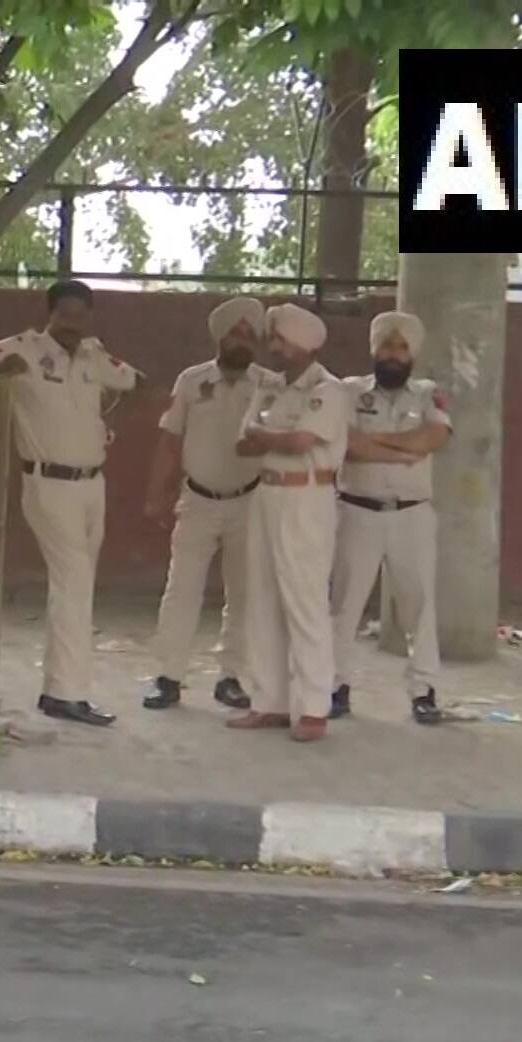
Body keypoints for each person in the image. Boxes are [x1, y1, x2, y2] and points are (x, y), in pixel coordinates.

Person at [0, 279, 143, 727]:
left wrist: (105, 408)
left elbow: (137, 381)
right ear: (51, 313)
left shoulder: (93, 355)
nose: (72, 323)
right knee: (74, 584)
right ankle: (67, 694)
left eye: (81, 315)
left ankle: (58, 689)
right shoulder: (25, 348)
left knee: (74, 588)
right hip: (48, 484)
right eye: (65, 313)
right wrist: (0, 372)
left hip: (90, 484)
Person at [141, 297, 273, 712]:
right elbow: (169, 439)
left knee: (244, 592)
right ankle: (168, 677)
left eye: (250, 335)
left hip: (251, 500)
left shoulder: (270, 385)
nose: (242, 341)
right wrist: (156, 494)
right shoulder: (191, 381)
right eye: (236, 333)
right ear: (220, 336)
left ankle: (231, 677)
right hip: (197, 499)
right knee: (181, 589)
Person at [227, 304, 350, 742]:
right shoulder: (269, 387)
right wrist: (271, 439)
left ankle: (315, 707)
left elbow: (301, 442)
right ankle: (269, 703)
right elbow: (244, 443)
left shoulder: (329, 390)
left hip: (307, 495)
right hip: (266, 492)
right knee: (261, 597)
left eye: (279, 339)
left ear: (301, 343)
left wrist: (268, 437)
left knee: (304, 599)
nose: (273, 347)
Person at [329, 311, 453, 724]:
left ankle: (423, 691)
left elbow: (435, 437)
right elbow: (347, 445)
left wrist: (376, 438)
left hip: (411, 515)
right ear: (373, 348)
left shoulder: (427, 393)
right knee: (344, 603)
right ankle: (334, 685)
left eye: (401, 347)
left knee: (419, 606)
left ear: (413, 352)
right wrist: (404, 451)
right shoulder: (348, 391)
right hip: (356, 510)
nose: (393, 355)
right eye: (386, 345)